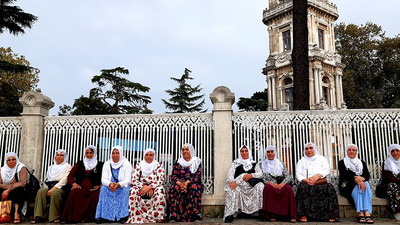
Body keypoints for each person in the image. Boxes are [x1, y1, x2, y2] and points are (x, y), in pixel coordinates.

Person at [295, 142, 339, 222]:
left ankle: (331, 215)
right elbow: (298, 173)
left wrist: (317, 176)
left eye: (311, 148)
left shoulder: (321, 159)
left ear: (314, 149)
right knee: (302, 188)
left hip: (320, 181)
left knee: (329, 188)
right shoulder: (301, 161)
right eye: (306, 149)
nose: (309, 150)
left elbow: (327, 170)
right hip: (307, 182)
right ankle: (303, 215)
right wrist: (305, 180)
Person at [60, 145, 104, 223]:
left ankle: (89, 218)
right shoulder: (79, 164)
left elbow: (105, 177)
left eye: (91, 153)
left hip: (93, 189)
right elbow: (70, 176)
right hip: (81, 188)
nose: (89, 155)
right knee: (74, 193)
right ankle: (72, 218)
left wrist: (100, 186)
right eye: (87, 153)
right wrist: (73, 183)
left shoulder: (100, 165)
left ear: (95, 153)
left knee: (97, 196)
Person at [223, 145, 264, 223]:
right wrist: (232, 181)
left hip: (251, 187)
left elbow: (260, 174)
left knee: (261, 186)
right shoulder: (235, 164)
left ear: (249, 152)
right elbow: (230, 174)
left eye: (246, 151)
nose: (244, 153)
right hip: (240, 186)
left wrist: (251, 175)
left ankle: (260, 212)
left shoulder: (254, 164)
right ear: (240, 153)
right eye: (242, 151)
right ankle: (229, 214)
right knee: (232, 189)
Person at [126, 148, 167, 223]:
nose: (148, 156)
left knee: (160, 191)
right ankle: (136, 216)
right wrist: (143, 187)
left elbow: (161, 179)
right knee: (133, 191)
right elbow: (134, 179)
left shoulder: (158, 165)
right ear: (144, 156)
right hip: (141, 187)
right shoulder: (139, 165)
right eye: (147, 155)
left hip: (154, 187)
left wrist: (150, 187)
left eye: (151, 155)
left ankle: (158, 216)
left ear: (154, 156)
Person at [32, 149, 72, 223]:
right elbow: (46, 179)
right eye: (57, 155)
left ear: (65, 157)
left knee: (55, 193)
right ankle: (39, 216)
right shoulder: (51, 167)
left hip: (61, 187)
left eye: (61, 155)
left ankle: (54, 217)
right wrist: (46, 188)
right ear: (55, 157)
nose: (59, 157)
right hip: (49, 186)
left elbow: (64, 180)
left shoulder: (68, 167)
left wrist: (53, 189)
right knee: (41, 191)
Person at [95, 145, 132, 223]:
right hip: (110, 186)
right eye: (113, 153)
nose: (115, 155)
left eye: (117, 153)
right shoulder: (107, 163)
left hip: (121, 186)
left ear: (121, 154)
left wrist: (119, 185)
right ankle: (104, 216)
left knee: (125, 190)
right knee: (103, 189)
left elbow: (128, 180)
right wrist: (109, 184)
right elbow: (103, 179)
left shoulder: (126, 164)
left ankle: (123, 216)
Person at [260, 146, 297, 222]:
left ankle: (288, 215)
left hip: (281, 184)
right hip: (270, 184)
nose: (270, 154)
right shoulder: (262, 165)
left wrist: (282, 184)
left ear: (275, 153)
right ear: (265, 153)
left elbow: (288, 176)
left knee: (288, 188)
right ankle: (272, 214)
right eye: (268, 152)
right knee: (268, 187)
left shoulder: (281, 164)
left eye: (272, 151)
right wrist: (272, 184)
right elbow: (262, 177)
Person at [338, 144, 373, 224]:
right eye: (349, 150)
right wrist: (357, 180)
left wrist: (362, 179)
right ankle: (361, 212)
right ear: (346, 151)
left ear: (356, 152)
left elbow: (367, 175)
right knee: (360, 186)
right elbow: (345, 175)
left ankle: (366, 212)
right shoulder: (342, 162)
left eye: (353, 150)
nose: (351, 151)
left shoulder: (361, 162)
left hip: (362, 184)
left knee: (366, 184)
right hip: (346, 185)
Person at [168, 143, 203, 222]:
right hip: (180, 183)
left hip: (192, 182)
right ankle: (173, 215)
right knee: (174, 188)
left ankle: (196, 215)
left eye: (187, 149)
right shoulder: (178, 162)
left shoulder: (196, 161)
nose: (185, 151)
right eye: (183, 150)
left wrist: (187, 183)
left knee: (194, 187)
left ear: (191, 151)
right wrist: (180, 184)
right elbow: (174, 175)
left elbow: (197, 176)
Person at [0, 152, 28, 224]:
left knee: (18, 190)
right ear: (6, 161)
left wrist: (8, 189)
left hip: (19, 191)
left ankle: (17, 213)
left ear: (17, 160)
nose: (11, 162)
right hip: (6, 190)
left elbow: (23, 183)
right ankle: (2, 214)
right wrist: (11, 186)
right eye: (9, 160)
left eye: (13, 159)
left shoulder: (21, 168)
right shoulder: (2, 170)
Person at [380, 144, 400, 222]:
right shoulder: (387, 162)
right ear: (390, 153)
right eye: (392, 151)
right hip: (389, 184)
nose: (395, 153)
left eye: (397, 150)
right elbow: (388, 177)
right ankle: (397, 212)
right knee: (394, 188)